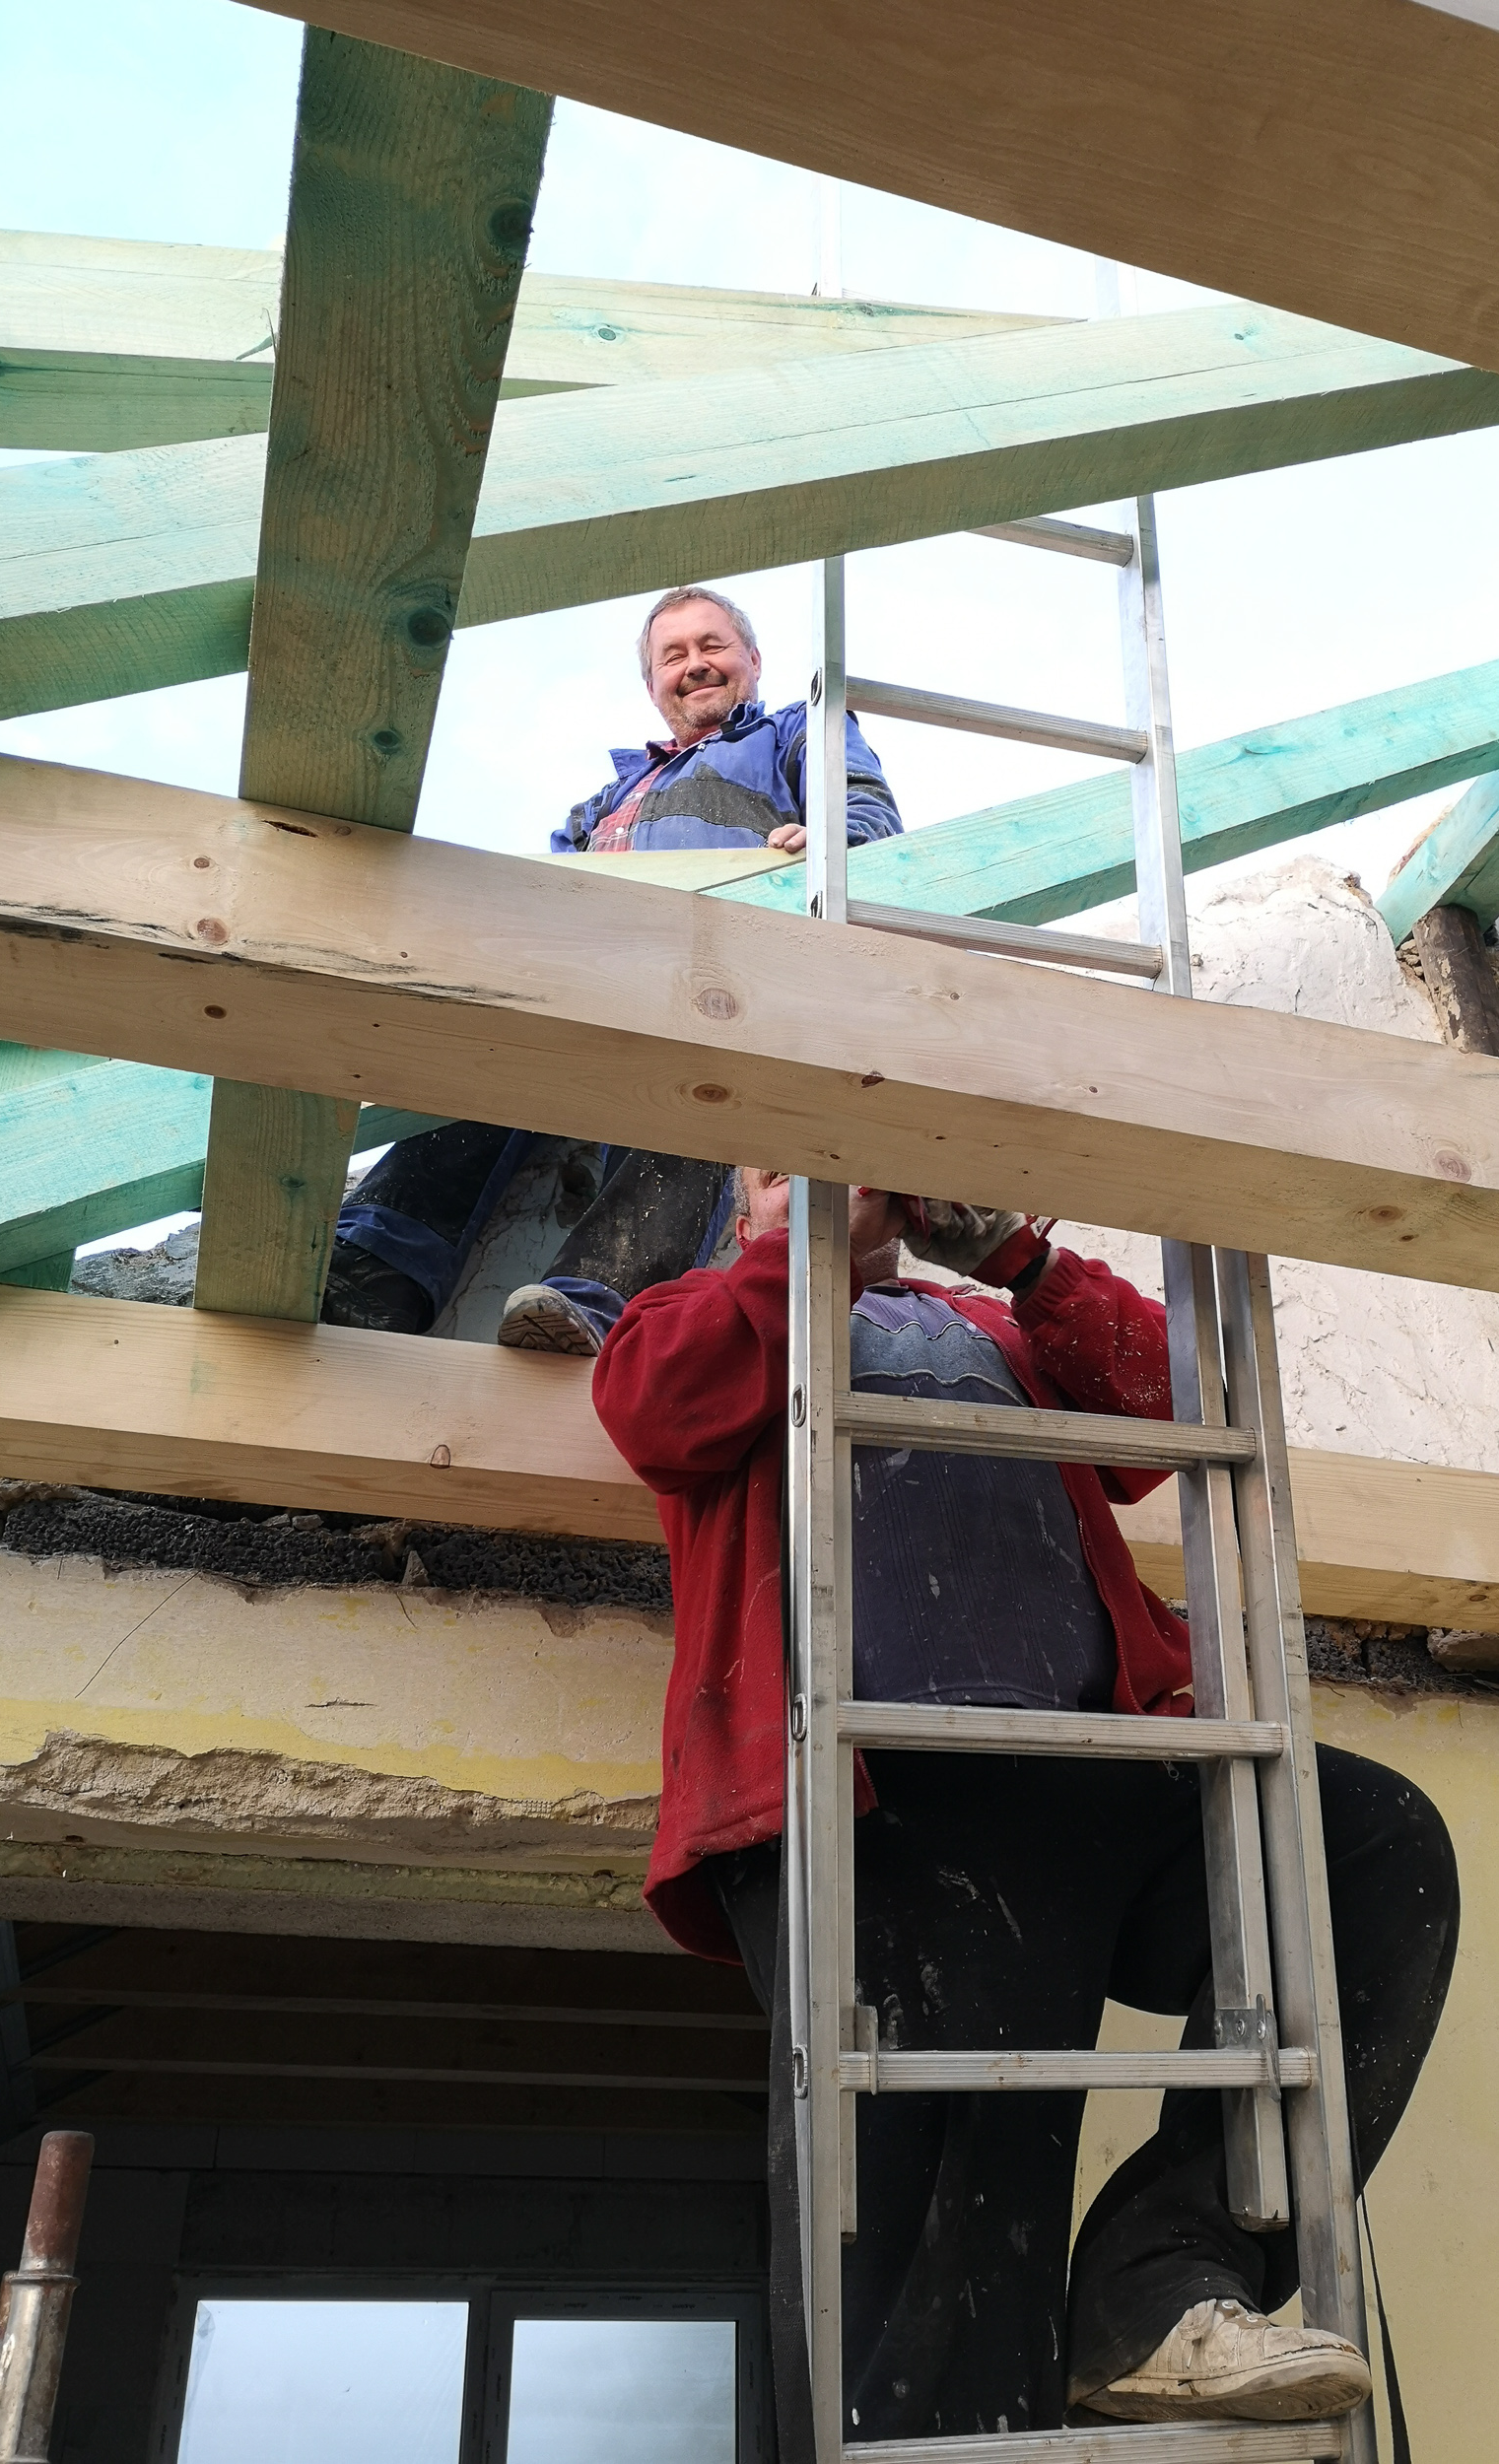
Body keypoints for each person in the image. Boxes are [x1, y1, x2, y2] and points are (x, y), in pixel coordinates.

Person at [590, 1171, 1459, 2452]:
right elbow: (656, 1410)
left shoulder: (991, 1330)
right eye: (780, 1166)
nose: (827, 1177)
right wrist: (798, 1250)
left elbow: (1168, 1407)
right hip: (873, 1807)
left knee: (1367, 1847)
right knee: (935, 2241)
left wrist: (1018, 1256)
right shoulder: (693, 1312)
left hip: (1084, 1773)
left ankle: (1153, 2287)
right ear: (737, 1208)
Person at [319, 586, 902, 1343]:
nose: (695, 665)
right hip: (587, 968)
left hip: (723, 967)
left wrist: (826, 844)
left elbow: (866, 816)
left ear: (753, 660)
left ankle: (597, 1298)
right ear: (653, 684)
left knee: (703, 1085)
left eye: (713, 646)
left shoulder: (793, 729)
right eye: (673, 655)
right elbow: (533, 902)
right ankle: (376, 1272)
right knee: (479, 1053)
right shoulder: (603, 802)